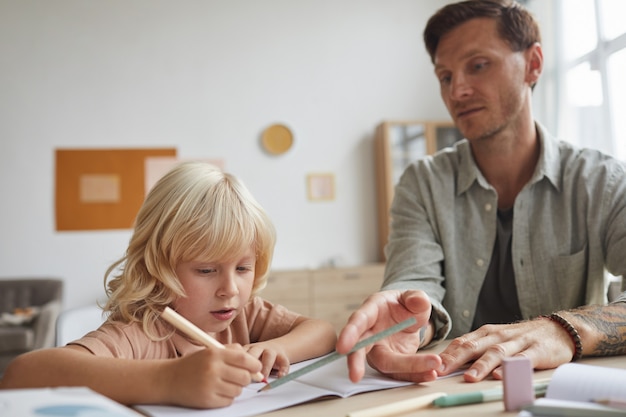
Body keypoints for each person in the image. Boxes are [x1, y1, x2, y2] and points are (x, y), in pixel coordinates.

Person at [337, 0, 626, 384]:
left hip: (562, 392)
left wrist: (561, 329)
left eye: (478, 65)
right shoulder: (422, 183)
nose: (457, 91)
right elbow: (415, 285)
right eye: (445, 76)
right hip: (454, 388)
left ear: (533, 64)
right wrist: (409, 326)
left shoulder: (602, 181)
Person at [0, 161, 337, 408]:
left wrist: (279, 349)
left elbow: (323, 332)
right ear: (158, 267)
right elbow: (20, 375)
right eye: (206, 270)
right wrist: (170, 379)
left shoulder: (244, 314)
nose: (230, 289)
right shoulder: (142, 331)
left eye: (244, 268)